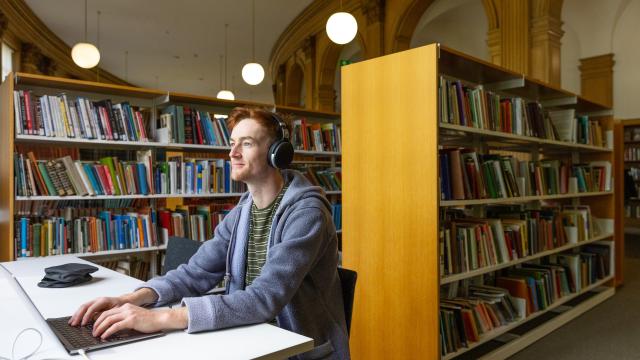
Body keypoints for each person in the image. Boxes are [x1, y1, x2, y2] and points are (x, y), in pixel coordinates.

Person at [69, 107, 349, 359]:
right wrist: (130, 299)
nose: (233, 153)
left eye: (247, 143)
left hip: (296, 347)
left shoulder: (307, 213)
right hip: (249, 337)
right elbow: (195, 273)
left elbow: (264, 299)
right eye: (232, 143)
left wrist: (160, 318)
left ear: (278, 154)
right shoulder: (242, 212)